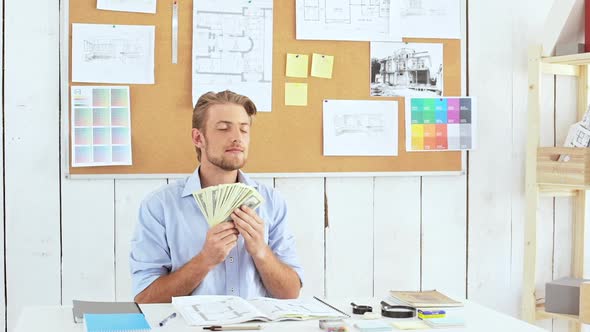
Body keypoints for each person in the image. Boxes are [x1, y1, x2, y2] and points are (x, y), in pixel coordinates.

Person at [130, 90, 304, 303]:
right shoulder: (159, 206)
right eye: (223, 128)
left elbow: (291, 293)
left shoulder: (272, 202)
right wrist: (205, 260)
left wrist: (261, 252)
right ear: (198, 138)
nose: (237, 138)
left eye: (244, 129)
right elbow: (145, 299)